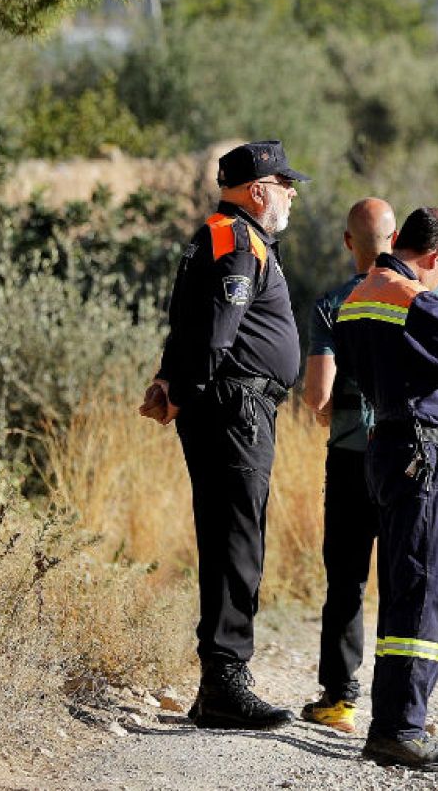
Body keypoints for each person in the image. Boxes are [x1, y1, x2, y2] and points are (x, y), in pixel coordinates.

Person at [299, 199, 438, 740]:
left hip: (361, 447)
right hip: (422, 446)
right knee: (431, 574)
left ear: (350, 243)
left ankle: (342, 698)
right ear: (427, 252)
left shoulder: (343, 301)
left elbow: (318, 395)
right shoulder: (420, 295)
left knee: (354, 578)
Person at [138, 140, 307, 730]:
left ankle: (220, 681)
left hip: (228, 404)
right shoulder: (238, 240)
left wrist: (169, 379)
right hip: (236, 408)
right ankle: (226, 682)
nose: (291, 195)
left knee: (228, 535)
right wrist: (185, 388)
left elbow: (187, 321)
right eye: (285, 185)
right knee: (237, 540)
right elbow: (214, 331)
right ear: (259, 190)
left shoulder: (220, 235)